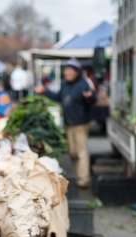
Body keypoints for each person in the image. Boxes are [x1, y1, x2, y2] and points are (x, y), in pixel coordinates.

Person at [35, 58, 97, 188]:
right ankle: (80, 173)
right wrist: (44, 91)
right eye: (66, 71)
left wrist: (90, 97)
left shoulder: (84, 84)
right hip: (68, 123)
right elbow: (58, 98)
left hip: (81, 123)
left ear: (77, 72)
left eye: (70, 71)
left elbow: (93, 100)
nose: (67, 73)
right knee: (72, 152)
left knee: (81, 151)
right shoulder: (64, 84)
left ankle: (84, 180)